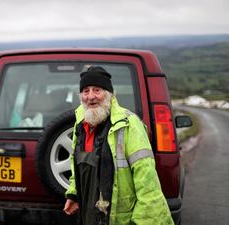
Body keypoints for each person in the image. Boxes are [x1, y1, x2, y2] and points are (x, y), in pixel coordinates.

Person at [63, 66, 174, 225]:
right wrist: (74, 194)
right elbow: (77, 168)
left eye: (97, 90)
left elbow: (147, 181)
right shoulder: (80, 125)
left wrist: (143, 221)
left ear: (109, 95)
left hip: (121, 218)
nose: (91, 96)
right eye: (86, 91)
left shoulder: (128, 124)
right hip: (89, 213)